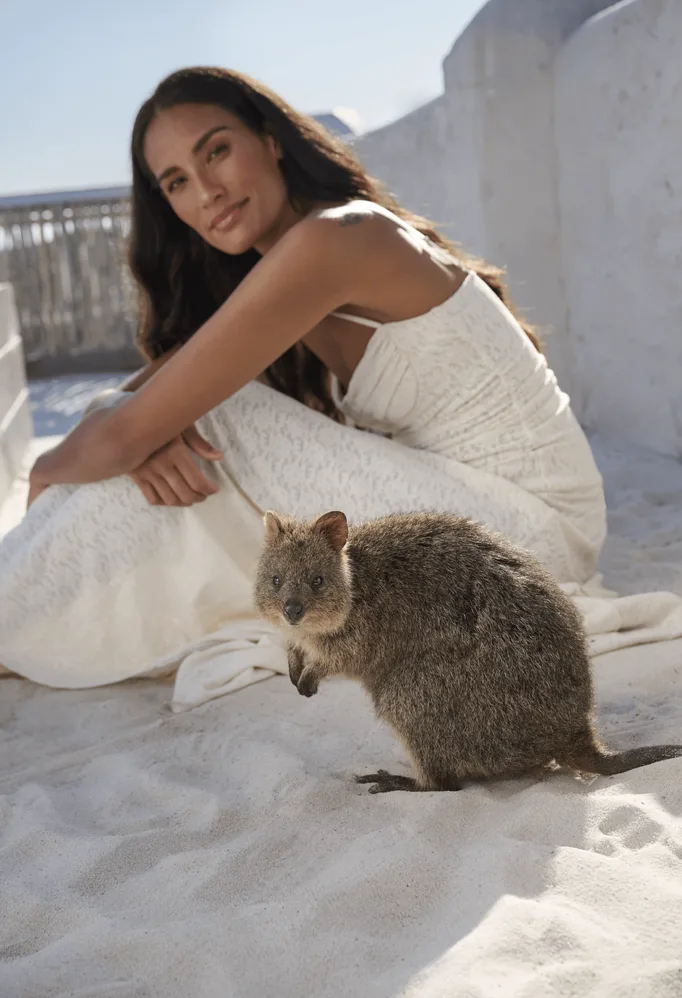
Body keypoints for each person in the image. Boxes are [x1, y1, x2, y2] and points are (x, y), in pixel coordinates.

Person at [0, 66, 606, 692]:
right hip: (473, 526)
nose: (206, 190)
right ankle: (18, 608)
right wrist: (130, 426)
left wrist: (55, 466)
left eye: (217, 150)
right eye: (177, 182)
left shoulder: (336, 240)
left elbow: (128, 428)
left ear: (270, 140)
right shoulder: (284, 274)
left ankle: (11, 612)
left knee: (203, 417)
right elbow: (138, 403)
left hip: (531, 534)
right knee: (162, 425)